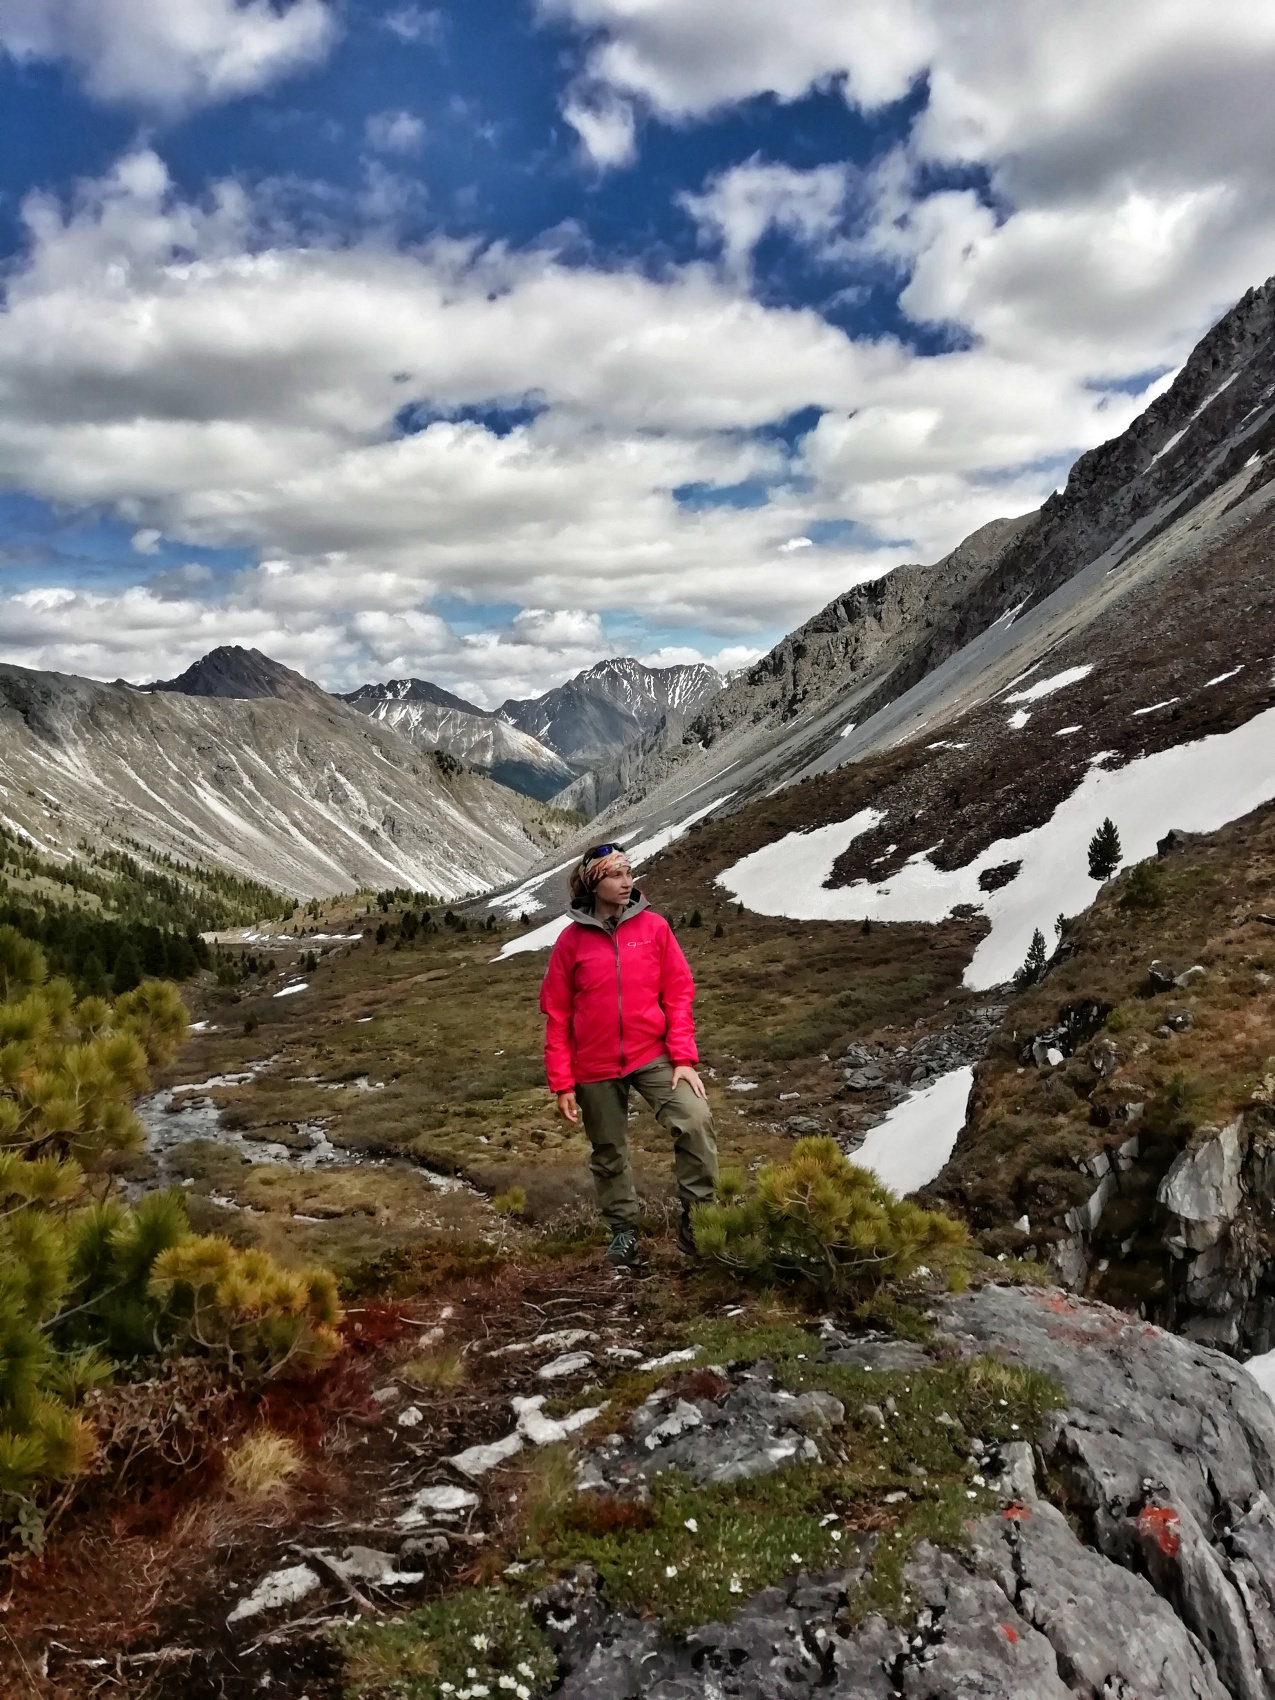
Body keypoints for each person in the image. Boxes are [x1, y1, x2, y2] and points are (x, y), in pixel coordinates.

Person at [539, 843, 718, 1267]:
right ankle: (623, 1231)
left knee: (694, 1120)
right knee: (608, 1150)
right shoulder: (570, 942)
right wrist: (562, 1081)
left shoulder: (654, 928)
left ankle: (699, 1219)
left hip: (652, 1053)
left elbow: (678, 995)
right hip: (593, 1064)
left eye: (628, 872)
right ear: (592, 883)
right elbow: (557, 1014)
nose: (626, 881)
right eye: (615, 874)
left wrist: (684, 1059)